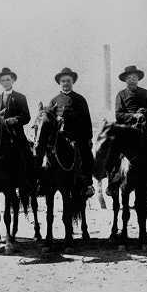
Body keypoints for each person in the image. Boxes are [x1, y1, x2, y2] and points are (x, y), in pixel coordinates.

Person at [106, 65, 147, 197]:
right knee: (113, 151)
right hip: (127, 130)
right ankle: (112, 183)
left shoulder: (145, 93)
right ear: (125, 80)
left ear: (138, 79)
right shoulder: (121, 95)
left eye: (134, 77)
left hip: (145, 129)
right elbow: (118, 115)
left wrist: (145, 113)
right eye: (129, 78)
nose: (132, 80)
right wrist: (134, 115)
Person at [35, 67, 95, 198]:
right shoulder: (54, 100)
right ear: (59, 83)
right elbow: (48, 121)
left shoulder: (80, 99)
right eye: (63, 81)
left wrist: (88, 138)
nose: (66, 83)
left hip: (76, 136)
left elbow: (87, 120)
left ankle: (88, 184)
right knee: (43, 155)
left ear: (72, 82)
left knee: (86, 154)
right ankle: (41, 182)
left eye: (68, 81)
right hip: (58, 137)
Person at [0, 67, 33, 189]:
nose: (5, 82)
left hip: (16, 134)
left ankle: (30, 181)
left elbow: (26, 116)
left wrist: (13, 120)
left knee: (27, 154)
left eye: (8, 79)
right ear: (0, 82)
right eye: (3, 80)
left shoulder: (20, 97)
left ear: (13, 80)